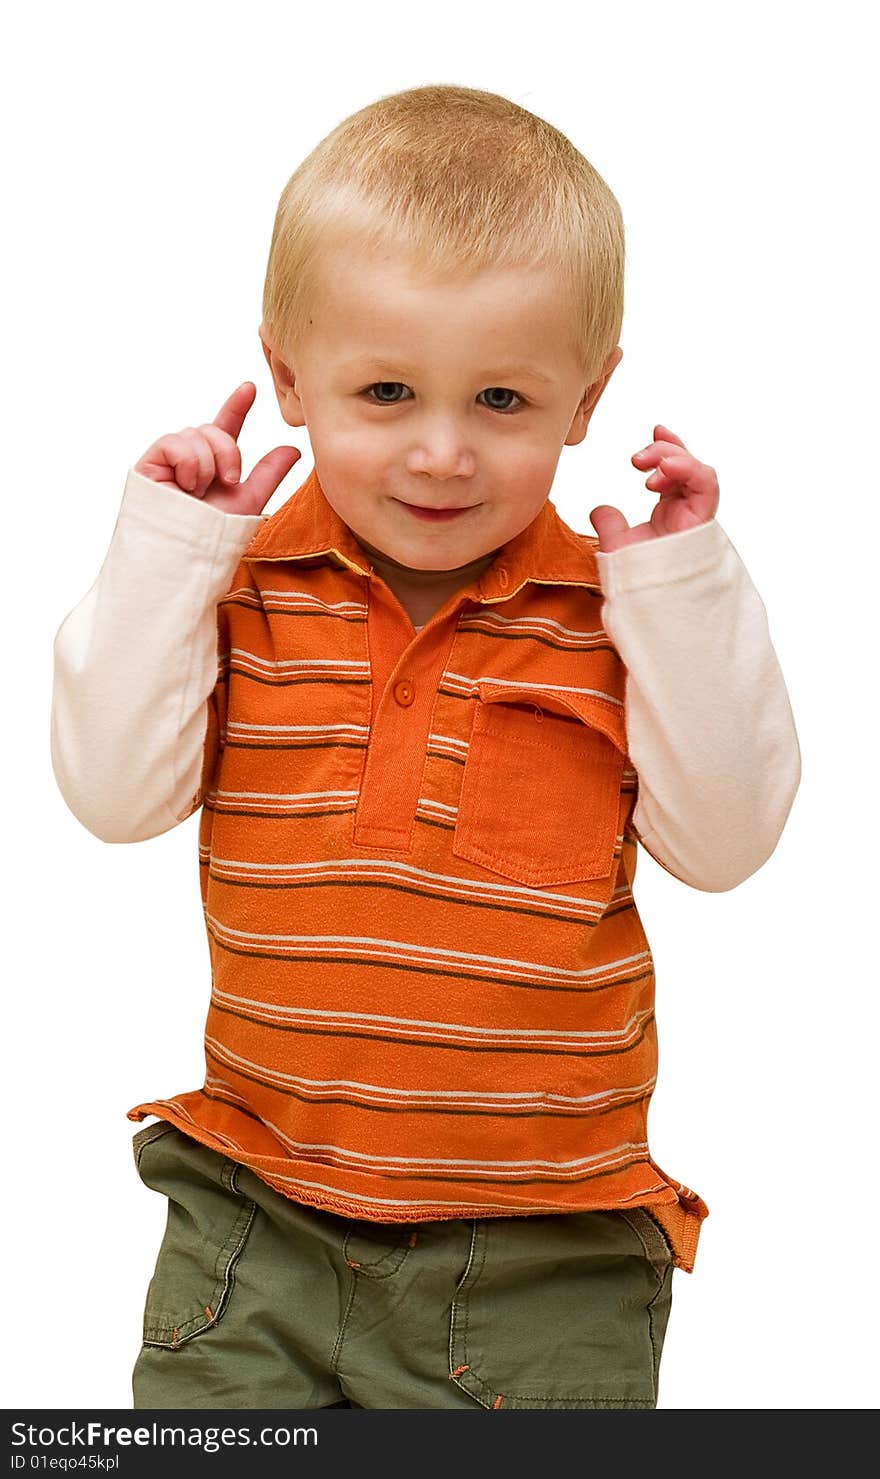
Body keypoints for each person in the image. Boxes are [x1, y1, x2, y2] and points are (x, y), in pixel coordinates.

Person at [50, 83, 801, 1410]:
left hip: (541, 1260)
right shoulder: (237, 585)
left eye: (503, 398)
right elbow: (114, 797)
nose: (443, 453)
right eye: (385, 391)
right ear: (287, 378)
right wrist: (170, 552)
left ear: (588, 398)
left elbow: (729, 844)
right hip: (256, 1222)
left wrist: (683, 596)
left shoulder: (621, 613)